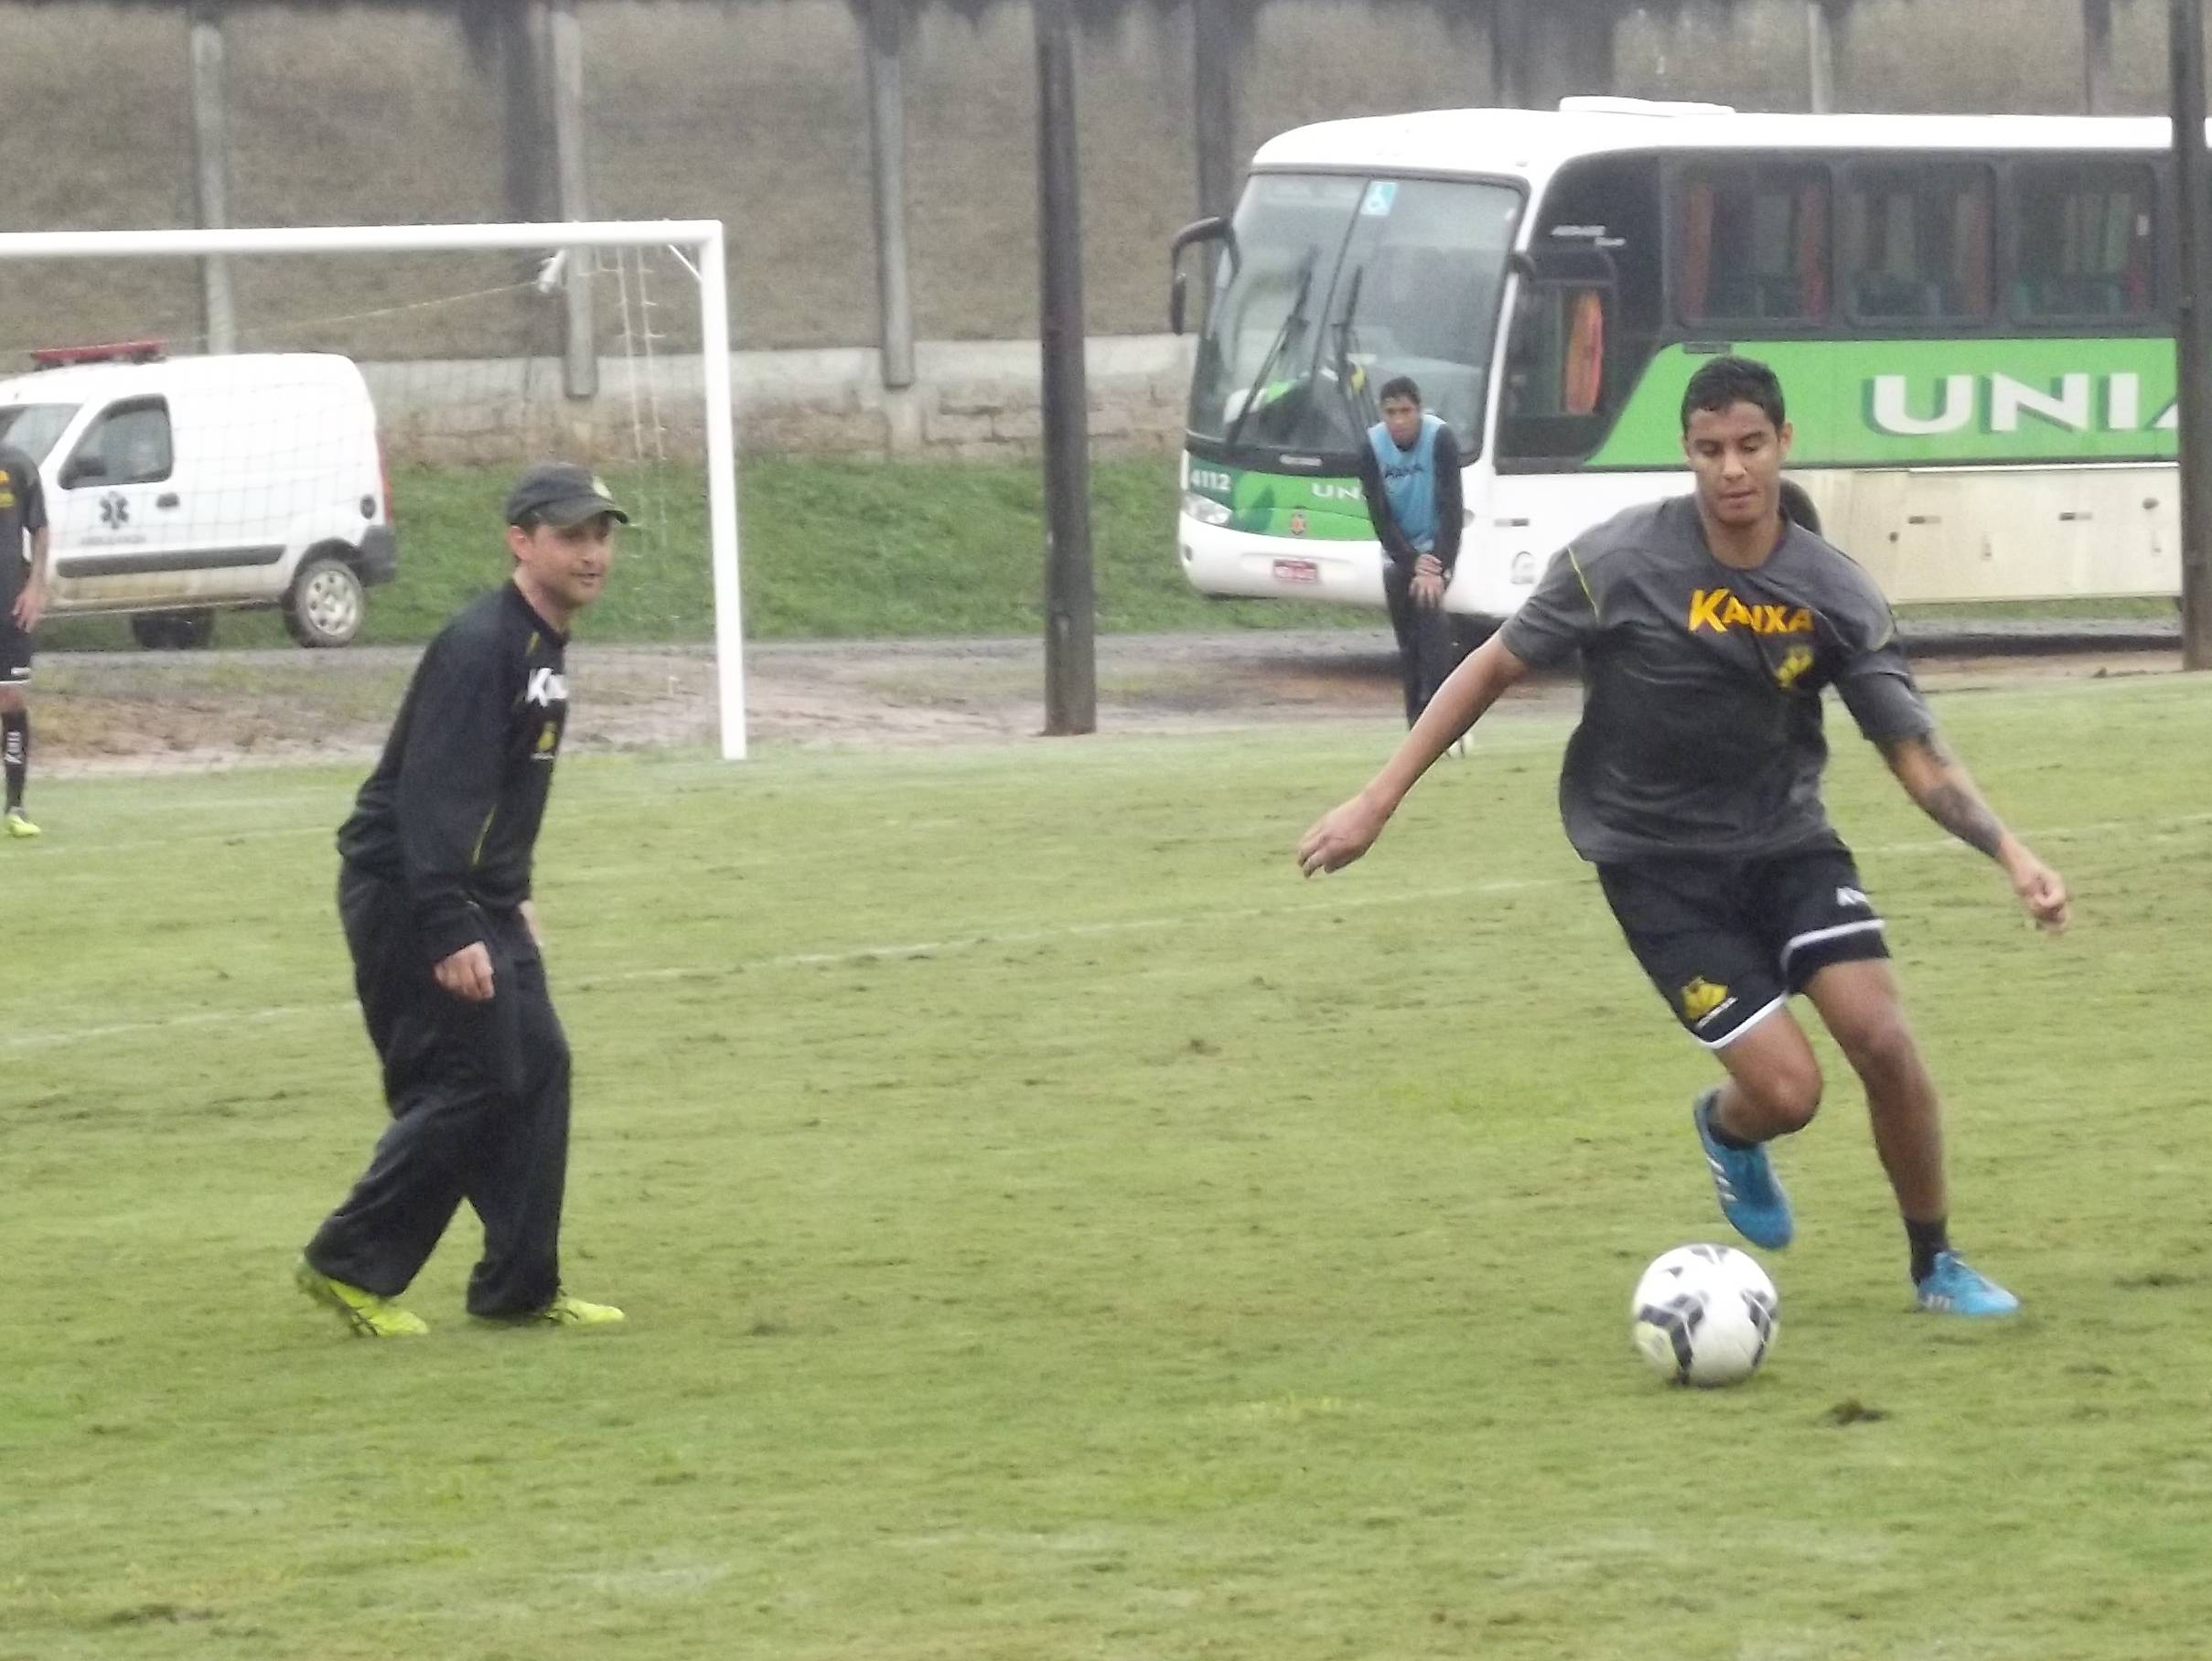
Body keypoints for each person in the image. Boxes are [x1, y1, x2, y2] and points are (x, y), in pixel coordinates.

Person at [1298, 356, 2068, 1317]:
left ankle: (1936, 1264)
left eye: (1750, 446)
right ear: (1687, 452)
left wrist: (2013, 853)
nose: (1731, 469)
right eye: (1710, 449)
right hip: (1655, 866)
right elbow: (1490, 667)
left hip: (1787, 843)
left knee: (1882, 1036)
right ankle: (1730, 1129)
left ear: (1784, 445)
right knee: (1789, 1095)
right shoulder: (1618, 561)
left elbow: (1913, 754)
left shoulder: (1835, 591)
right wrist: (1378, 799)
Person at [295, 463, 629, 1337]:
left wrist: (511, 897)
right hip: (411, 893)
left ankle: (519, 1286)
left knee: (539, 1066)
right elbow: (432, 796)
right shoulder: (483, 644)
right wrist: (450, 922)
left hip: (474, 894)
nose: (593, 553)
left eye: (602, 534)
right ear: (522, 542)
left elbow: (499, 795)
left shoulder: (540, 644)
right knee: (474, 1079)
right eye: (572, 535)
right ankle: (350, 1263)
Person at [1357, 377, 1463, 729]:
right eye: (1391, 413)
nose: (1399, 420)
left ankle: (1443, 723)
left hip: (1435, 554)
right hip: (1399, 555)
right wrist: (1409, 560)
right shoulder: (1371, 446)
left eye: (1406, 411)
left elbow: (1452, 508)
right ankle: (1415, 725)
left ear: (1419, 410)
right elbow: (1380, 516)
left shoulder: (1440, 439)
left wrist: (1435, 566)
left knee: (1434, 639)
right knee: (1409, 647)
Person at [0, 440, 50, 838]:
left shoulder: (17, 464)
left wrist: (35, 587)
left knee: (11, 698)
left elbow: (40, 528)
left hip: (10, 601)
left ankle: (15, 806)